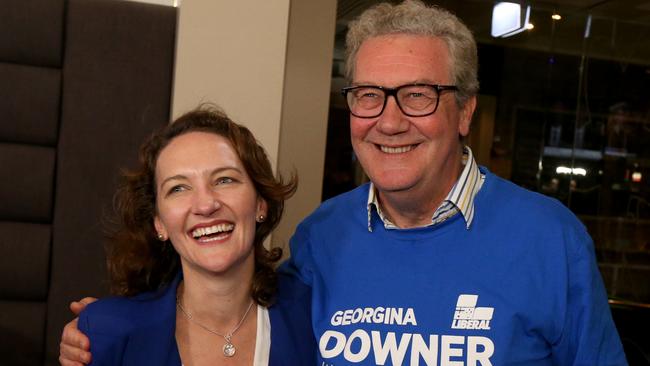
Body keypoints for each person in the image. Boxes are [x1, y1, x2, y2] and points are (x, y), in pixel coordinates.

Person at [61, 1, 627, 365]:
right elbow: (227, 287)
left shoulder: (551, 239)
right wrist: (118, 328)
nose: (389, 120)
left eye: (418, 94)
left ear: (464, 111)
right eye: (368, 96)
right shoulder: (321, 238)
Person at [59, 106, 315, 365]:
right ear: (159, 223)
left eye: (224, 180)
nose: (205, 205)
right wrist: (98, 325)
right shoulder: (105, 332)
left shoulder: (313, 318)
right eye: (178, 188)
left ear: (260, 203)